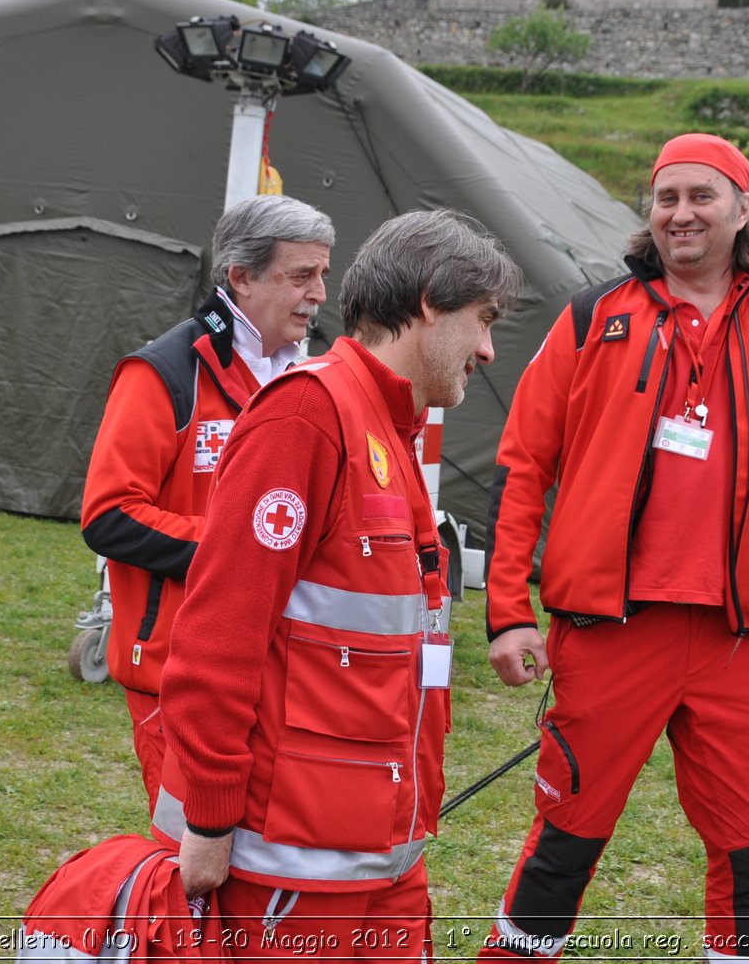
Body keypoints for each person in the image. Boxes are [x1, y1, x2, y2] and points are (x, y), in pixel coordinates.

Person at [479, 134, 749, 962]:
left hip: (745, 639)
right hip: (612, 631)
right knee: (565, 840)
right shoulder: (593, 316)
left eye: (701, 196)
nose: (681, 212)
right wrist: (507, 611)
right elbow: (522, 465)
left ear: (743, 208)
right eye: (666, 197)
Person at [150, 209, 522, 959]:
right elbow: (218, 635)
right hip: (285, 859)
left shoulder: (389, 429)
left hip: (383, 852)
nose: (487, 349)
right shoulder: (306, 417)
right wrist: (212, 820)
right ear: (427, 301)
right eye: (481, 321)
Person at [80, 194, 334, 807]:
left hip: (281, 663)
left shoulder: (311, 372)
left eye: (323, 274)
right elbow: (108, 516)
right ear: (240, 278)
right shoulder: (163, 372)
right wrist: (241, 552)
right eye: (301, 276)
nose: (320, 293)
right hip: (176, 666)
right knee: (190, 852)